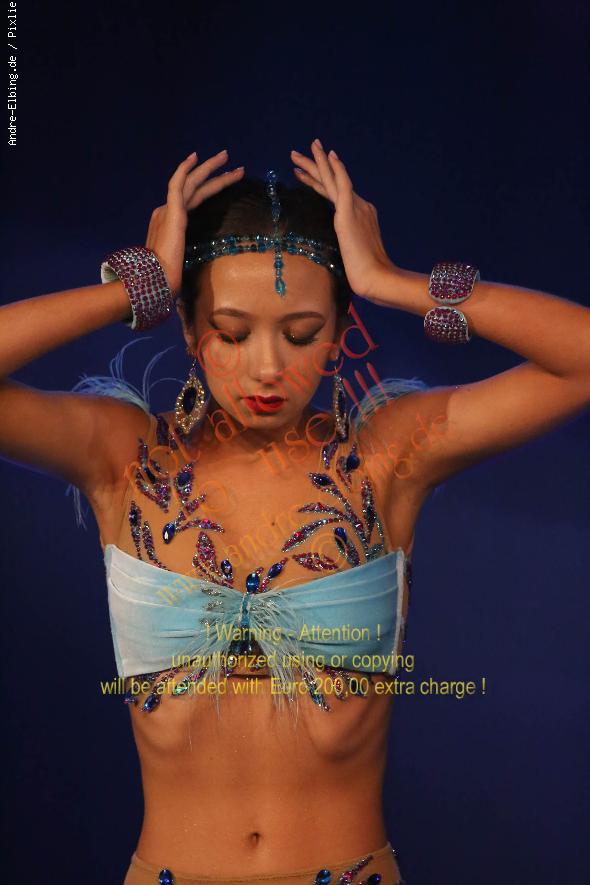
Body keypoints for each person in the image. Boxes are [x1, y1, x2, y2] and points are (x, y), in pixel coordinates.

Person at [1, 141, 588, 885]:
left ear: (341, 332)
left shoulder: (384, 461)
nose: (268, 366)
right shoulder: (125, 459)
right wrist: (131, 287)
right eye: (231, 331)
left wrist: (394, 282)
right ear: (187, 328)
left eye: (302, 333)